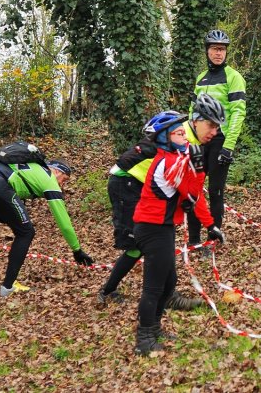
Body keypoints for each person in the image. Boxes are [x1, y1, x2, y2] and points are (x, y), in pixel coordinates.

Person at [96, 98, 223, 308]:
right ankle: (118, 292)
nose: (214, 132)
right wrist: (209, 224)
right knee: (143, 244)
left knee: (159, 238)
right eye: (211, 125)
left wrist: (208, 223)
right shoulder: (181, 138)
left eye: (217, 127)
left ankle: (163, 294)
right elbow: (193, 190)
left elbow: (189, 188)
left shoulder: (190, 140)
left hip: (149, 187)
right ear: (196, 120)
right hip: (127, 183)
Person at [132, 111, 226, 355]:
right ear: (164, 137)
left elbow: (195, 199)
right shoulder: (168, 162)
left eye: (184, 132)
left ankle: (154, 327)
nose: (185, 136)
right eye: (179, 133)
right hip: (153, 228)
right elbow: (191, 195)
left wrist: (210, 225)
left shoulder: (176, 157)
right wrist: (200, 170)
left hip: (162, 227)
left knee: (169, 282)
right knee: (153, 287)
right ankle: (144, 340)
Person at [0, 153, 94, 300]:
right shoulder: (50, 179)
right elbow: (64, 224)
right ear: (57, 171)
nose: (62, 184)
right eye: (64, 179)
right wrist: (77, 250)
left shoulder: (31, 167)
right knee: (26, 233)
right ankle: (8, 287)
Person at [187, 29, 246, 248]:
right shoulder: (201, 78)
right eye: (214, 49)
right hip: (199, 141)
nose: (218, 53)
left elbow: (239, 112)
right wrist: (189, 140)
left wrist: (229, 146)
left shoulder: (233, 77)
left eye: (222, 49)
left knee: (215, 192)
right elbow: (192, 111)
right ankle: (193, 240)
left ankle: (212, 241)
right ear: (207, 51)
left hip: (221, 140)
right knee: (193, 189)